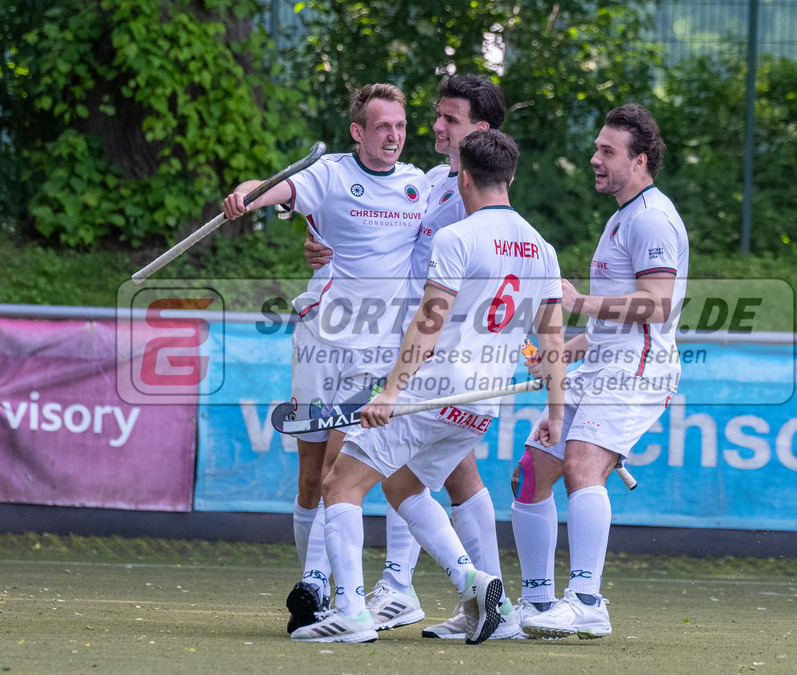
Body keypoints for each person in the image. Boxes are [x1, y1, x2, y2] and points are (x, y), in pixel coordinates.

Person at [290, 129, 566, 644]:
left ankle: (350, 613)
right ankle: (486, 595)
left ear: (464, 177)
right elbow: (550, 336)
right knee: (402, 484)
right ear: (510, 177)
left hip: (434, 389)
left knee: (340, 485)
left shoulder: (457, 237)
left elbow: (429, 320)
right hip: (483, 401)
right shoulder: (541, 247)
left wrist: (391, 391)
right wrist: (555, 410)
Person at [221, 83, 426, 634]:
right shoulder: (331, 174)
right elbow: (276, 188)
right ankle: (313, 583)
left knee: (341, 463)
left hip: (377, 346)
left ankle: (334, 592)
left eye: (401, 127)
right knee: (310, 470)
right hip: (320, 336)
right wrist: (246, 197)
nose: (395, 136)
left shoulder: (418, 185)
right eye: (383, 126)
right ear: (358, 131)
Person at [513, 103, 689, 640]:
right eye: (596, 148)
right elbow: (621, 315)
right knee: (532, 472)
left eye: (607, 152)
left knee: (582, 464)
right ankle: (539, 605)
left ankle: (587, 600)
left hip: (640, 369)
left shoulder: (652, 218)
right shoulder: (622, 215)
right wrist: (570, 348)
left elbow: (657, 306)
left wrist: (579, 302)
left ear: (639, 161)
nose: (594, 158)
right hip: (607, 360)